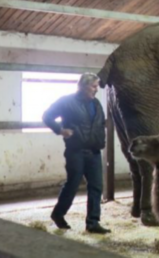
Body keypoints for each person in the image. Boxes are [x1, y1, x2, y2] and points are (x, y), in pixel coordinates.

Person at [43, 72, 110, 234]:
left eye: (96, 86)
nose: (96, 90)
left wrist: (104, 126)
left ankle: (93, 223)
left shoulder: (97, 104)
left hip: (94, 151)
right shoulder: (66, 102)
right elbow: (47, 116)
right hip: (76, 151)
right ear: (83, 86)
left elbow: (98, 122)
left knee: (96, 187)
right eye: (93, 86)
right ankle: (58, 214)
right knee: (73, 184)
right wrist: (60, 130)